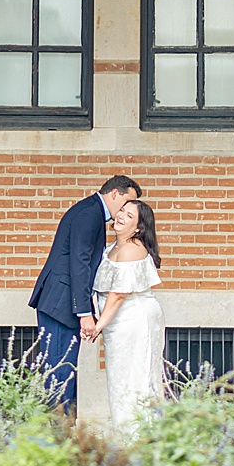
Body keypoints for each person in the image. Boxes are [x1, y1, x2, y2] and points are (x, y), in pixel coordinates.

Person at [27, 175, 142, 414]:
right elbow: (79, 264)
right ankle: (58, 439)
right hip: (61, 306)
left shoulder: (91, 212)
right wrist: (84, 313)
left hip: (61, 302)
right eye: (127, 202)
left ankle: (63, 435)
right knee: (59, 372)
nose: (127, 209)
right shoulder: (90, 214)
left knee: (63, 371)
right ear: (115, 195)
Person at [90, 198, 166, 433]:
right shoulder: (113, 246)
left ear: (139, 228)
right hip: (118, 322)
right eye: (121, 210)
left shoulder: (133, 248)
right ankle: (125, 436)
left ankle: (139, 438)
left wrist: (97, 325)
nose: (121, 216)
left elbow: (119, 294)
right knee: (120, 378)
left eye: (129, 215)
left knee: (135, 379)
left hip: (134, 320)